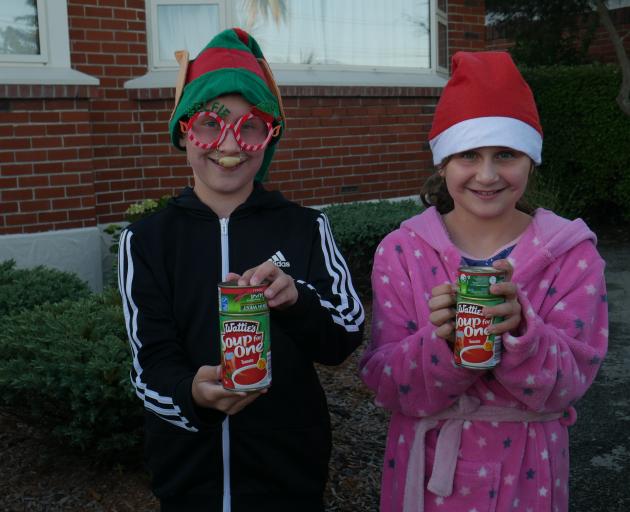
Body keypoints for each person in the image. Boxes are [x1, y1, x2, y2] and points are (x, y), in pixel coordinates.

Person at [117, 28, 364, 512]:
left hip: (288, 475)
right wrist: (191, 394)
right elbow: (150, 363)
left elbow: (346, 335)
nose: (228, 144)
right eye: (210, 122)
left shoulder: (306, 227)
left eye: (250, 126)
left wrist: (297, 300)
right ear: (184, 131)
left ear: (268, 137)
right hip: (190, 481)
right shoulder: (147, 240)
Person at [359, 51, 608, 512]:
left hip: (528, 474)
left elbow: (572, 380)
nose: (487, 174)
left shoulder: (573, 255)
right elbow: (385, 382)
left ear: (530, 160)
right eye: (469, 154)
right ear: (442, 164)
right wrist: (441, 344)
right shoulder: (401, 251)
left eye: (506, 155)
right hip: (426, 468)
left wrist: (521, 332)